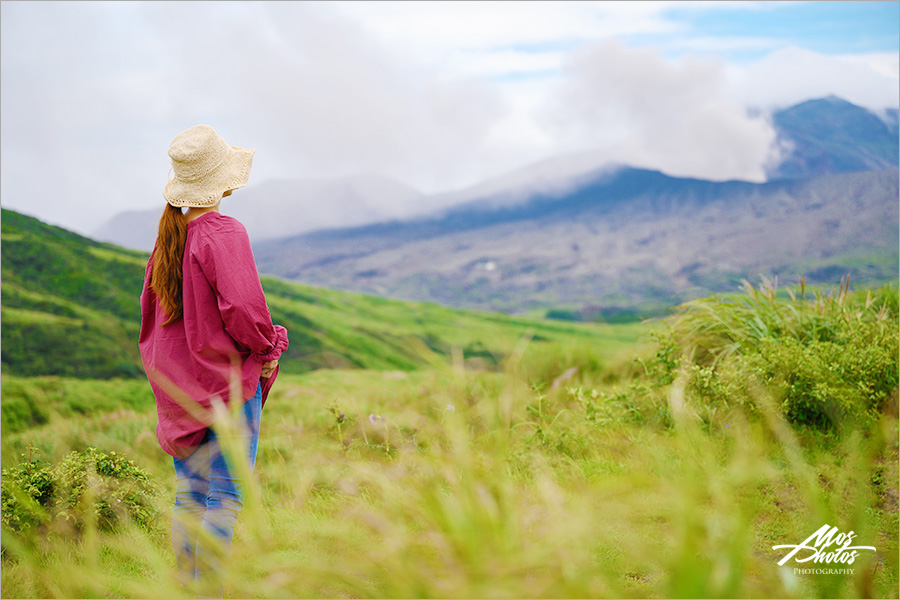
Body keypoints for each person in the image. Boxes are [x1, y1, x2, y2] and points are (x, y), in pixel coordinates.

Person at [138, 124, 289, 594]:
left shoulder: (169, 237)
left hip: (181, 388)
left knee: (191, 494)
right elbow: (243, 307)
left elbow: (153, 321)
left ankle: (189, 590)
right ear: (222, 181)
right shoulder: (222, 232)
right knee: (224, 496)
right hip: (226, 383)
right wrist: (266, 349)